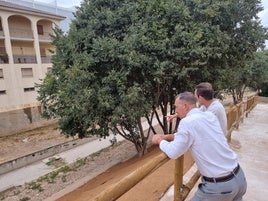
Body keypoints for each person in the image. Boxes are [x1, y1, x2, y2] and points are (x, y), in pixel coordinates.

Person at [152, 92, 247, 201]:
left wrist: (160, 140)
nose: (176, 111)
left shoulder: (187, 122)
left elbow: (174, 152)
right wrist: (166, 137)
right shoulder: (209, 115)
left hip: (219, 187)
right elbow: (189, 134)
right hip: (239, 178)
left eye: (176, 107)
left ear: (185, 106)